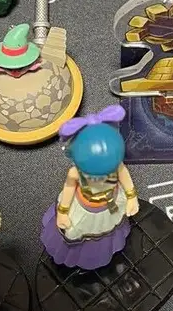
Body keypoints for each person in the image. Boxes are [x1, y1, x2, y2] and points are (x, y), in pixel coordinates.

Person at [40, 105, 138, 271]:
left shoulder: (117, 165)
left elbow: (124, 175)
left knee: (108, 232)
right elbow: (69, 190)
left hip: (110, 203)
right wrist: (63, 212)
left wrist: (131, 196)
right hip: (84, 207)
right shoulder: (75, 173)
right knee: (79, 233)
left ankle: (103, 252)